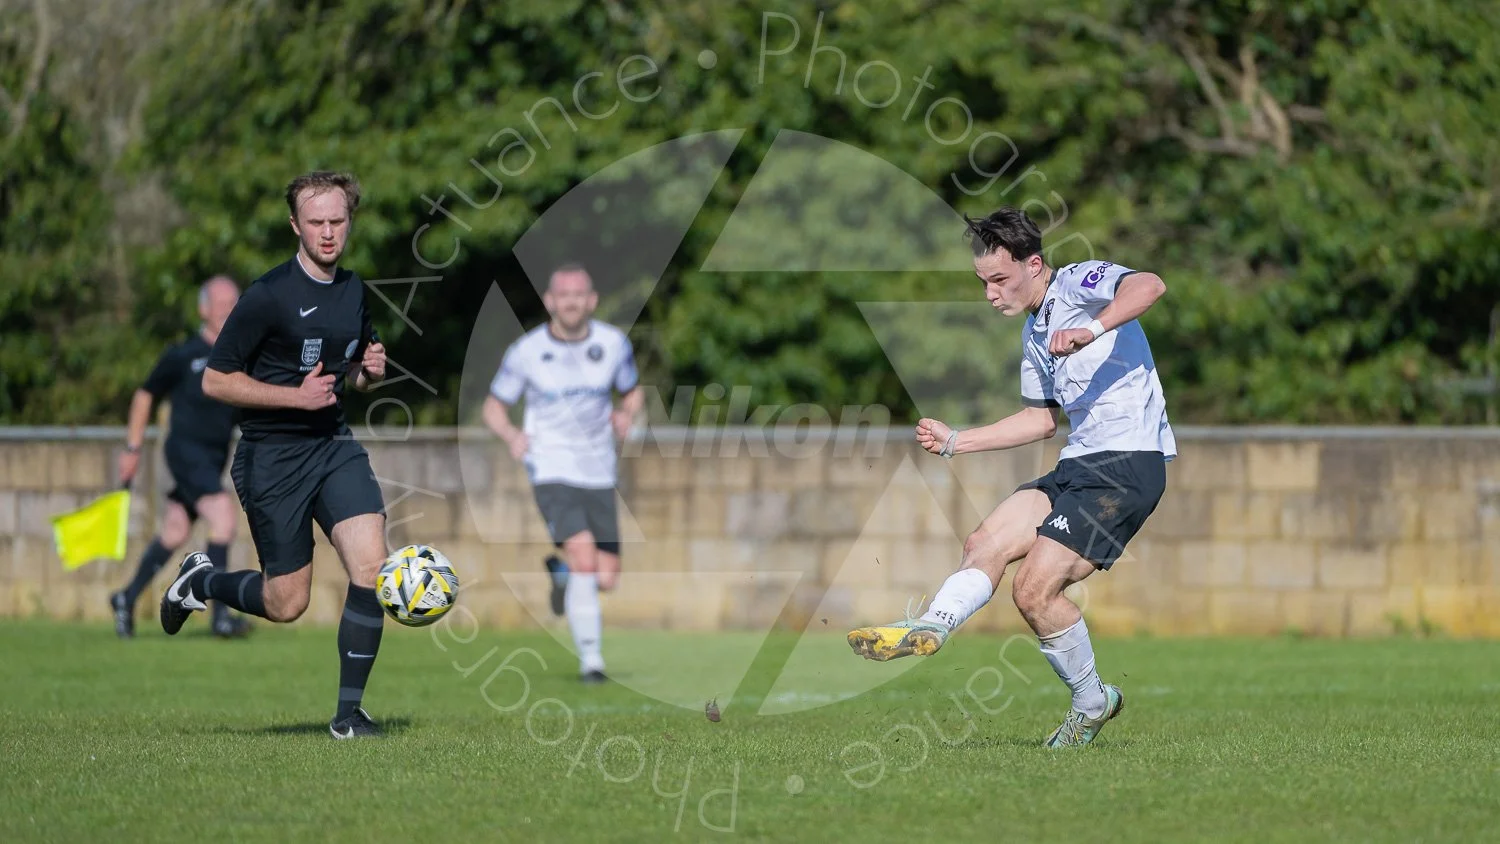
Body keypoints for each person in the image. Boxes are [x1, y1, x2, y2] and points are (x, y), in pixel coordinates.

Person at [846, 206, 1175, 748]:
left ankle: (1090, 702)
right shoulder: (1033, 332)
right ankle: (933, 625)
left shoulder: (1079, 284)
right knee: (985, 542)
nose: (991, 293)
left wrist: (1090, 329)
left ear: (1035, 264)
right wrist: (958, 441)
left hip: (1127, 466)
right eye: (983, 282)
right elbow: (1041, 420)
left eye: (1000, 279)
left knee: (1033, 590)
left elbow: (1150, 285)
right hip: (1079, 463)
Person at [157, 170, 391, 740]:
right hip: (272, 458)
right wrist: (293, 396)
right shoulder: (266, 296)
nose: (329, 232)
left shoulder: (356, 291)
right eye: (316, 223)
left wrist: (367, 374)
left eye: (338, 221)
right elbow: (215, 381)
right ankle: (200, 582)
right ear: (296, 225)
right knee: (287, 603)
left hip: (333, 446)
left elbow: (351, 370)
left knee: (372, 568)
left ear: (349, 221)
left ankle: (348, 715)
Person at [482, 264, 642, 684]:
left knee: (605, 577)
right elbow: (493, 406)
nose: (570, 301)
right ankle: (593, 663)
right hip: (551, 468)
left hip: (599, 472)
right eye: (562, 295)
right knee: (586, 556)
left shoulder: (612, 344)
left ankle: (563, 575)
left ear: (591, 300)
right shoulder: (527, 351)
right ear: (550, 301)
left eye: (579, 294)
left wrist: (626, 413)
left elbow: (633, 389)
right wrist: (512, 435)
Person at [109, 276, 252, 640]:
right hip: (186, 453)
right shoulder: (183, 355)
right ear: (204, 310)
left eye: (232, 304)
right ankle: (220, 617)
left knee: (175, 531)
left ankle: (125, 598)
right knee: (223, 519)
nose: (226, 311)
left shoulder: (241, 359)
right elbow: (145, 395)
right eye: (219, 305)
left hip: (214, 457)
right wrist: (133, 447)